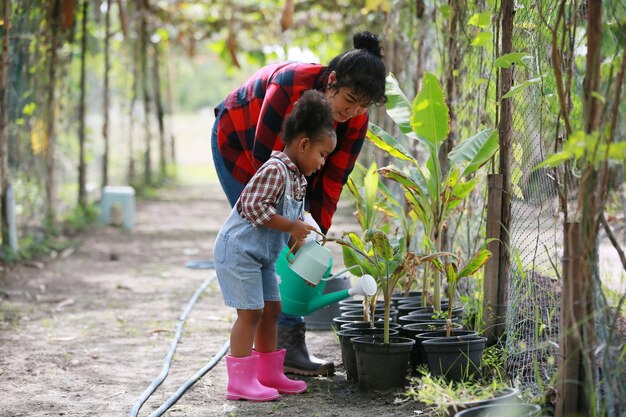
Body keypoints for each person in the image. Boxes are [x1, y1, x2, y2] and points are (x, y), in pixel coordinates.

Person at [212, 31, 387, 376]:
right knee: (267, 241)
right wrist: (290, 229)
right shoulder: (291, 85)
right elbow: (267, 164)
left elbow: (332, 179)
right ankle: (273, 340)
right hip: (239, 144)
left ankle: (276, 348)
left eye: (362, 107)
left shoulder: (354, 119)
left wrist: (313, 237)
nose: (351, 112)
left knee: (290, 244)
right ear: (332, 81)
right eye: (349, 100)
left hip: (282, 165)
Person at [214, 91, 337, 401]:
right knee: (251, 313)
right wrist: (291, 226)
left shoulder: (299, 179)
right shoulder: (275, 170)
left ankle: (268, 373)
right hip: (239, 251)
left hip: (262, 257)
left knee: (273, 309)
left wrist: (298, 239)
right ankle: (239, 381)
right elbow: (253, 208)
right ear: (304, 144)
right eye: (322, 154)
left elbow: (289, 220)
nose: (323, 163)